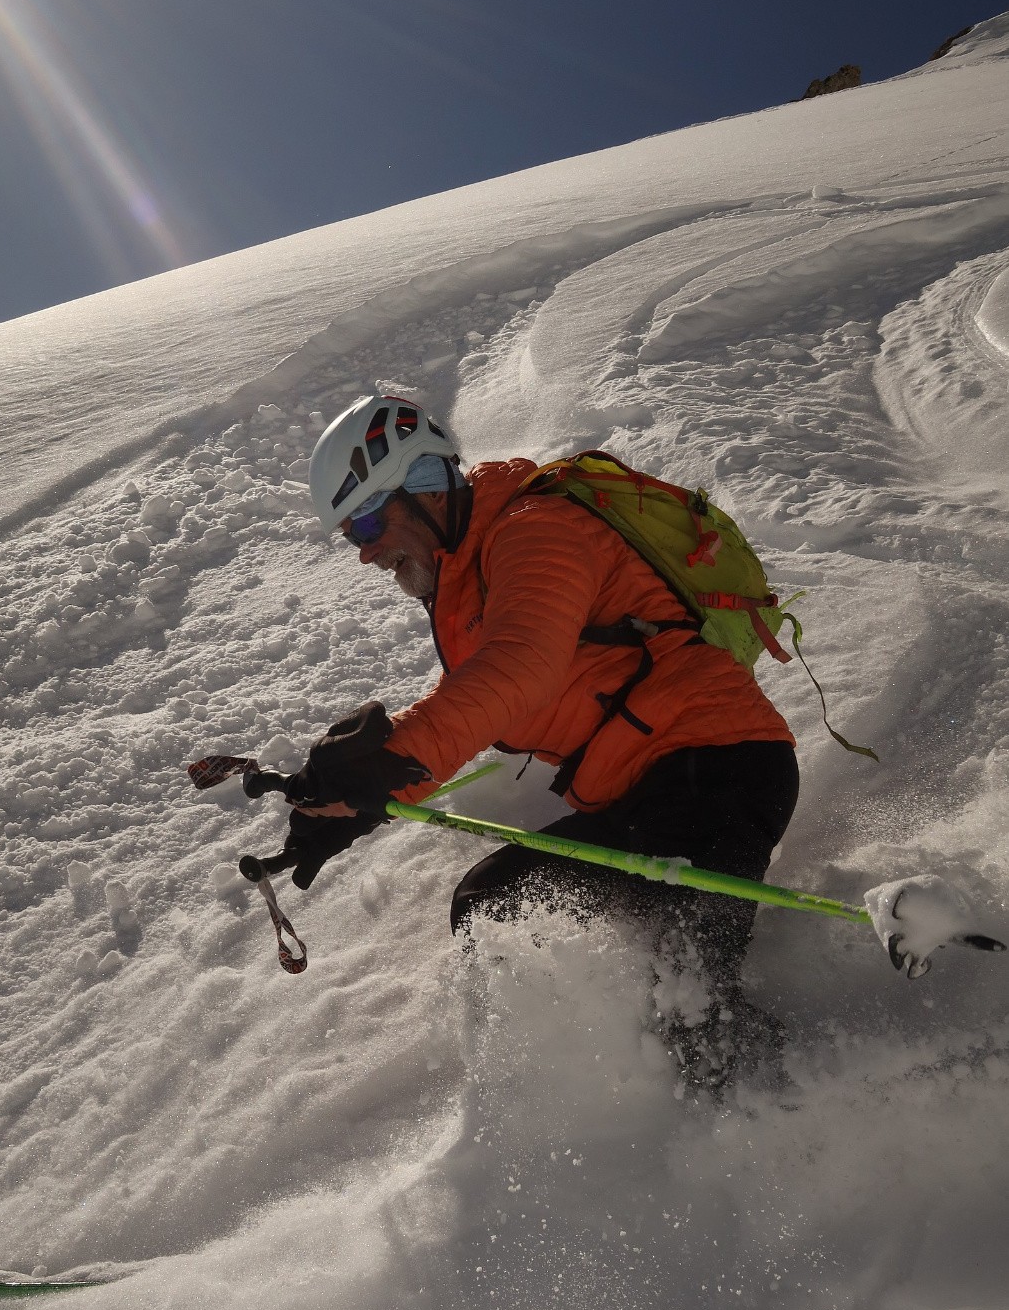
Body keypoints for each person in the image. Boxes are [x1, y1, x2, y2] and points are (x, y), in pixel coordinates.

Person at [286, 394, 799, 1090]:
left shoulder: (535, 529)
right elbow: (483, 702)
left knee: (692, 1018)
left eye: (371, 520)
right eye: (353, 535)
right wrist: (354, 805)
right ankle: (611, 1107)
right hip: (653, 790)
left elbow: (519, 669)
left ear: (425, 487)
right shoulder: (471, 575)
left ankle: (818, 1118)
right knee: (494, 904)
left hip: (718, 770)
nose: (368, 552)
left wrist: (382, 763)